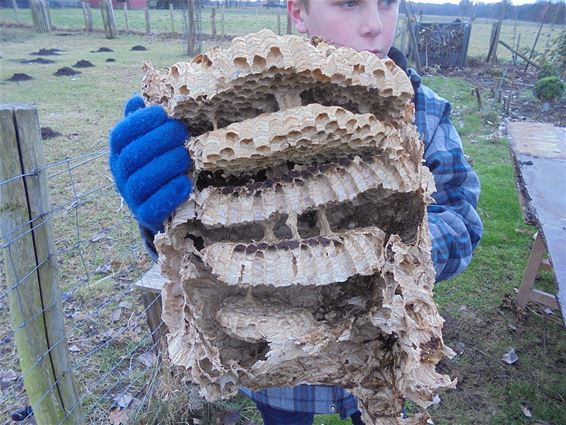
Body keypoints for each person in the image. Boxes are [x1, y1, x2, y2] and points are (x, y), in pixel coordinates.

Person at [109, 0, 483, 423]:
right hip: (278, 375)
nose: (375, 25)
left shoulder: (425, 112)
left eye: (388, 2)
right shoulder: (217, 113)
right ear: (298, 10)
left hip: (382, 355)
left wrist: (398, 255)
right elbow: (193, 250)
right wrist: (156, 214)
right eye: (348, 2)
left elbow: (463, 219)